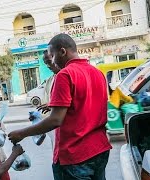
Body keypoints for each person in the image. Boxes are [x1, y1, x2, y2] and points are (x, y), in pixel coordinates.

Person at [8, 34, 112, 180]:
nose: (53, 61)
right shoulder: (98, 73)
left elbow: (55, 120)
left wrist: (22, 133)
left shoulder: (65, 75)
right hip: (99, 150)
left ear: (62, 52)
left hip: (75, 156)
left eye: (53, 56)